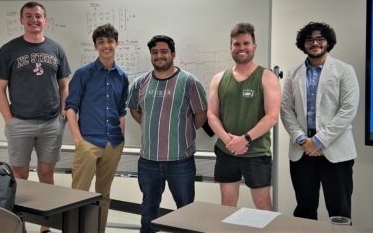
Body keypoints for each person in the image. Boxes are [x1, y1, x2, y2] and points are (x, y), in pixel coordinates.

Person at [0, 1, 70, 233]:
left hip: (50, 124)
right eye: (28, 16)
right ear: (21, 20)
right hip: (20, 124)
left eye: (38, 16)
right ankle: (21, 225)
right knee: (20, 177)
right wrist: (10, 120)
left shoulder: (56, 49)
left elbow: (64, 84)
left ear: (45, 20)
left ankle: (45, 226)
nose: (33, 20)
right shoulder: (8, 50)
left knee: (47, 175)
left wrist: (63, 113)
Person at [128, 35, 207, 233]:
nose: (159, 56)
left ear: (173, 54)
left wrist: (181, 129)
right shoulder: (140, 82)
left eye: (164, 51)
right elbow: (135, 109)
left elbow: (201, 114)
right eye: (154, 52)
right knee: (148, 214)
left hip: (180, 161)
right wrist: (149, 124)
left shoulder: (189, 82)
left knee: (185, 213)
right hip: (148, 162)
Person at [280, 22, 359, 221]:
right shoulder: (292, 73)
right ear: (303, 44)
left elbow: (348, 110)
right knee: (304, 211)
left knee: (339, 211)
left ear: (328, 42)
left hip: (336, 152)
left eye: (320, 39)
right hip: (302, 151)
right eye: (309, 39)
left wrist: (318, 141)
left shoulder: (344, 70)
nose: (315, 43)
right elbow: (285, 109)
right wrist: (301, 139)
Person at [207, 23, 281, 210]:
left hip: (256, 152)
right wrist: (229, 140)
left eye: (246, 43)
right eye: (237, 44)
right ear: (231, 47)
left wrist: (245, 139)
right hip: (226, 151)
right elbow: (212, 115)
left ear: (254, 46)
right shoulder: (219, 78)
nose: (241, 48)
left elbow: (272, 116)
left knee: (262, 203)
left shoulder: (267, 77)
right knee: (227, 202)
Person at [65, 23, 129, 232]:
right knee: (78, 195)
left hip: (113, 144)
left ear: (116, 44)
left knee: (104, 196)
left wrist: (121, 139)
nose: (106, 46)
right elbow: (71, 108)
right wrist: (78, 140)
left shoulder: (122, 76)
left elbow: (121, 111)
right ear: (95, 46)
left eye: (110, 41)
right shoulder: (84, 74)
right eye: (101, 42)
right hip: (88, 143)